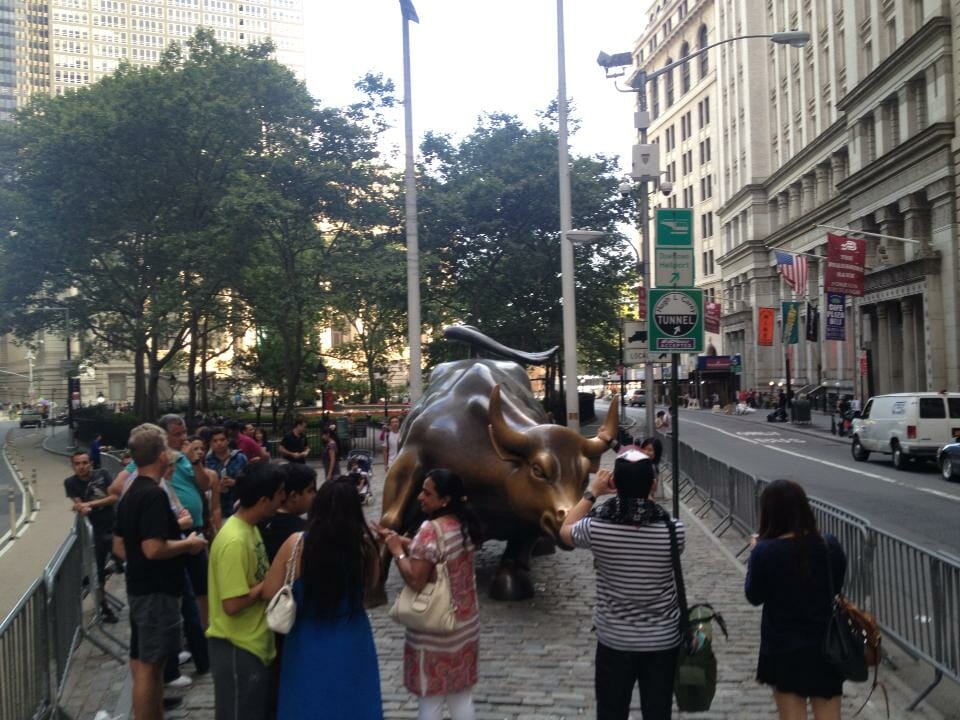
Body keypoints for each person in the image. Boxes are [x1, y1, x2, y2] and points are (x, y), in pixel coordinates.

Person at [559, 450, 684, 720]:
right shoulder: (674, 531)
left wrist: (592, 492)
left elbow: (565, 528)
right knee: (658, 711)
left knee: (611, 711)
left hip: (614, 640)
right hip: (662, 640)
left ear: (614, 483)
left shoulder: (596, 529)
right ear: (652, 484)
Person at [263, 480, 383, 720]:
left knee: (307, 701)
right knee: (353, 703)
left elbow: (269, 591)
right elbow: (370, 590)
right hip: (351, 635)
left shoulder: (295, 544)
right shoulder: (364, 547)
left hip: (307, 637)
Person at [113, 424, 207, 720]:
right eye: (167, 447)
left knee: (144, 661)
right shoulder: (152, 495)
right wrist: (188, 544)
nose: (171, 453)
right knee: (151, 666)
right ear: (159, 455)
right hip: (156, 591)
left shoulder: (131, 492)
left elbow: (122, 545)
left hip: (142, 587)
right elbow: (153, 548)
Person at [379, 469, 483, 720]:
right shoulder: (463, 524)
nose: (420, 497)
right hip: (464, 623)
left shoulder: (429, 529)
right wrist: (403, 542)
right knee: (461, 695)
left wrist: (397, 551)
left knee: (431, 698)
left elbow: (415, 578)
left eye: (427, 493)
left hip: (434, 629)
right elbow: (438, 552)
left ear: (445, 499)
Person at [745, 479, 847, 720]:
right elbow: (836, 586)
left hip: (783, 648)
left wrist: (754, 554)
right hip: (825, 646)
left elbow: (754, 596)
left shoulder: (765, 551)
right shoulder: (829, 545)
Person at [206, 463, 286, 720]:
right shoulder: (235, 541)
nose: (283, 498)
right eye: (280, 492)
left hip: (253, 644)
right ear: (264, 500)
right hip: (237, 647)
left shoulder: (250, 528)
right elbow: (232, 604)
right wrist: (268, 585)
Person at [64, 450, 119, 623]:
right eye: (77, 464)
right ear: (73, 466)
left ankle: (104, 572)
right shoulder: (70, 482)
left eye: (85, 463)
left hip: (114, 526)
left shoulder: (102, 474)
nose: (81, 467)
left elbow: (113, 497)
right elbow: (79, 504)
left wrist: (91, 504)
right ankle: (105, 608)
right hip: (95, 533)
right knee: (98, 572)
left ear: (91, 464)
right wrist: (83, 506)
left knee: (124, 561)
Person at [259, 463, 316, 562]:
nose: (315, 495)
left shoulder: (260, 520)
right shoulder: (303, 531)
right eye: (310, 490)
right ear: (294, 496)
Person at [205, 426, 247, 522]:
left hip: (238, 506)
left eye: (222, 440)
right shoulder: (208, 460)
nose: (219, 443)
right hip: (218, 508)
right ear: (210, 444)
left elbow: (250, 480)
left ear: (228, 441)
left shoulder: (240, 457)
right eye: (214, 441)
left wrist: (235, 482)